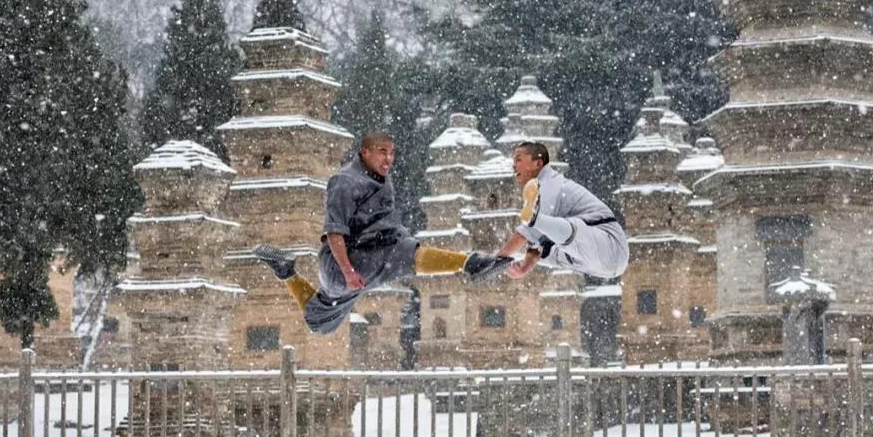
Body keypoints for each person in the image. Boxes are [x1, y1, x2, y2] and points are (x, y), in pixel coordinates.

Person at [253, 132, 512, 334]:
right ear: (364, 152)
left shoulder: (382, 179)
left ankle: (285, 270)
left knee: (320, 322)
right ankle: (472, 262)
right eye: (381, 152)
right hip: (343, 264)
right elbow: (334, 233)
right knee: (401, 256)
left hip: (374, 251)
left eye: (392, 153)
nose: (388, 159)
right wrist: (347, 271)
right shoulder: (344, 182)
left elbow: (384, 221)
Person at [497, 141, 629, 280]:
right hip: (595, 266)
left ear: (538, 164)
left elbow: (528, 233)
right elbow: (535, 243)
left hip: (610, 245)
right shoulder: (538, 189)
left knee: (566, 230)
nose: (514, 165)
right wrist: (524, 267)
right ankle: (534, 220)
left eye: (518, 160)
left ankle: (534, 218)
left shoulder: (550, 184)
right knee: (547, 251)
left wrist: (499, 258)